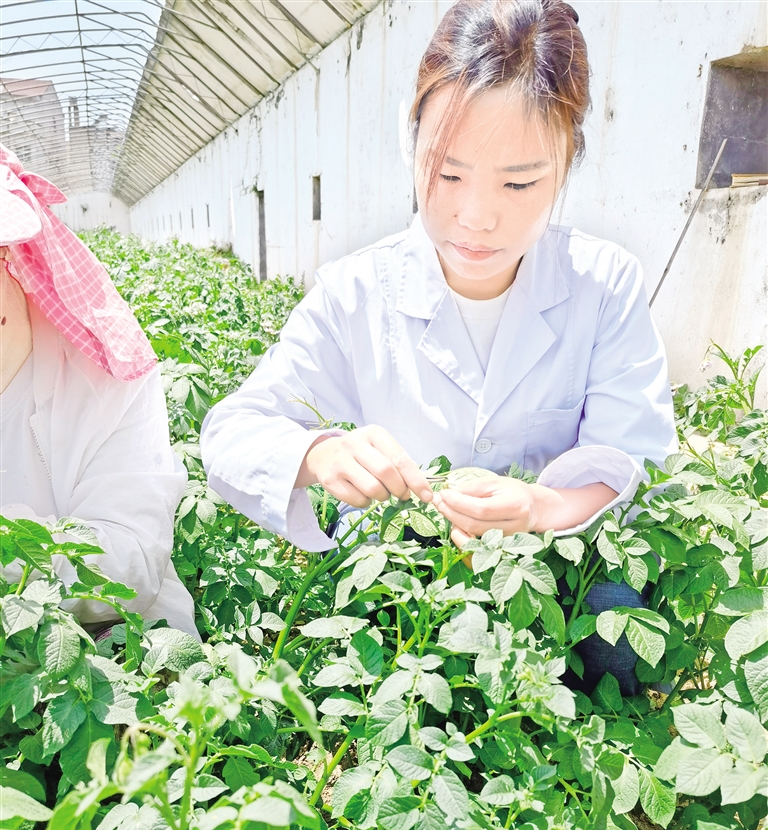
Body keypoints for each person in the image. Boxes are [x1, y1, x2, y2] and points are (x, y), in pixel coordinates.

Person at [201, 0, 676, 693]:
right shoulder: (355, 291)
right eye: (447, 174)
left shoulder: (603, 284)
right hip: (402, 563)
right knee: (379, 665)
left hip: (547, 562)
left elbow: (637, 461)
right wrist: (320, 454)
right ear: (411, 141)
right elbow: (231, 433)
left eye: (519, 182)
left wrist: (542, 508)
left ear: (568, 159)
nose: (476, 216)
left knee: (616, 626)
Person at [0, 146, 197, 637]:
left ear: (7, 256)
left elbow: (131, 564)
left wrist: (9, 544)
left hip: (114, 657)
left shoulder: (104, 375)